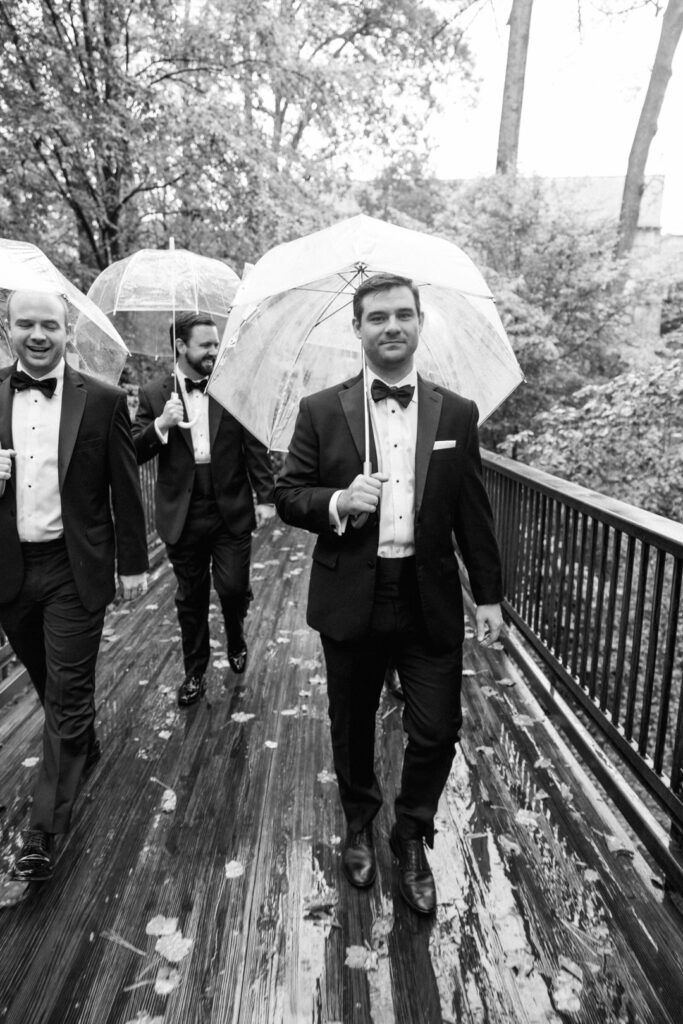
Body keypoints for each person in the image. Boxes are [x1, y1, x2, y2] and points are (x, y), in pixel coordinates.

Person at [274, 273, 504, 915]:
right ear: (358, 328)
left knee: (437, 728)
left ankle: (410, 833)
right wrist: (340, 501)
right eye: (378, 317)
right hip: (352, 597)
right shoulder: (322, 409)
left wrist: (489, 595)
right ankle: (357, 824)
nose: (392, 326)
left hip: (429, 596)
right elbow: (288, 495)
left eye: (403, 315)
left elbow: (472, 510)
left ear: (419, 322)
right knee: (350, 727)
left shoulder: (455, 412)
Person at [0, 290, 149, 882]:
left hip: (73, 566)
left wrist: (133, 564)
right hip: (9, 569)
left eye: (50, 326)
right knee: (46, 679)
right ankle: (81, 739)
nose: (38, 335)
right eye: (25, 324)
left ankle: (43, 829)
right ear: (8, 328)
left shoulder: (103, 400)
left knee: (65, 691)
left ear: (68, 333)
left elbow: (124, 486)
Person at [133, 311, 275, 707]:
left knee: (232, 588)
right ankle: (195, 671)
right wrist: (161, 424)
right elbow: (135, 449)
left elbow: (254, 444)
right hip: (182, 513)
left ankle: (235, 631)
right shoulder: (153, 393)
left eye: (216, 344)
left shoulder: (232, 387)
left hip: (230, 507)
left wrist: (265, 497)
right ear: (180, 346)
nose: (215, 351)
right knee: (190, 598)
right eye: (206, 345)